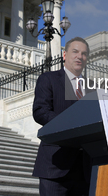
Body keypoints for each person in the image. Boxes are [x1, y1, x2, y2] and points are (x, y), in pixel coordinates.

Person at [32, 37, 90, 195]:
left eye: (84, 54)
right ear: (64, 55)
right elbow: (40, 111)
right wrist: (70, 126)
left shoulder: (92, 88)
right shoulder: (48, 79)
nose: (79, 56)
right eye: (75, 52)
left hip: (85, 170)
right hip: (55, 165)